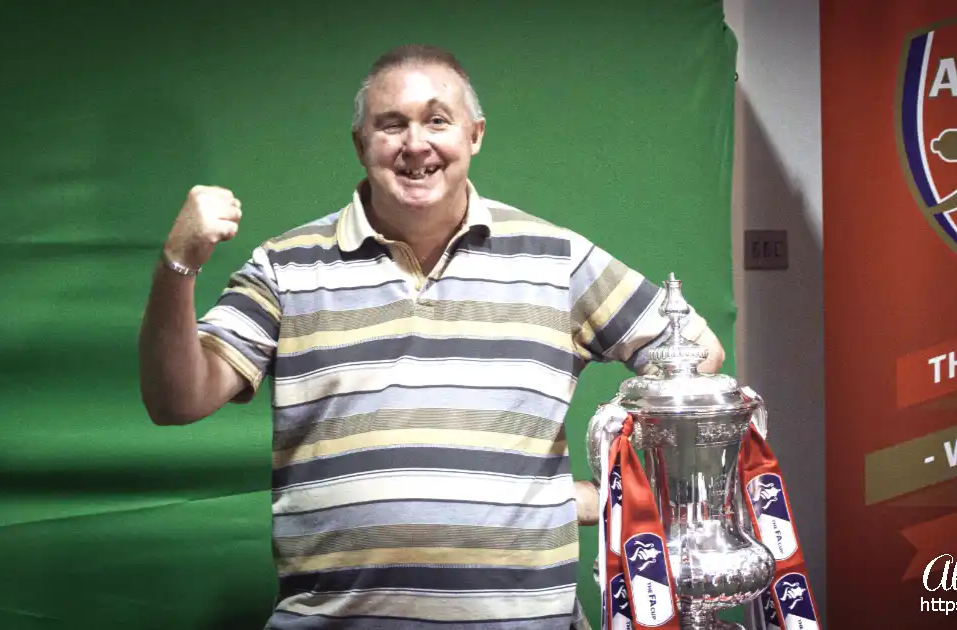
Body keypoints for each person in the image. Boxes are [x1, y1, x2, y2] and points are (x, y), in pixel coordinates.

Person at [138, 44, 726, 630]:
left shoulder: (556, 259)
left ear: (474, 135)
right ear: (360, 144)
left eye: (437, 120)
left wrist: (615, 489)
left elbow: (695, 352)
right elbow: (176, 400)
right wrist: (177, 264)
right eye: (390, 125)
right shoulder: (286, 267)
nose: (415, 144)